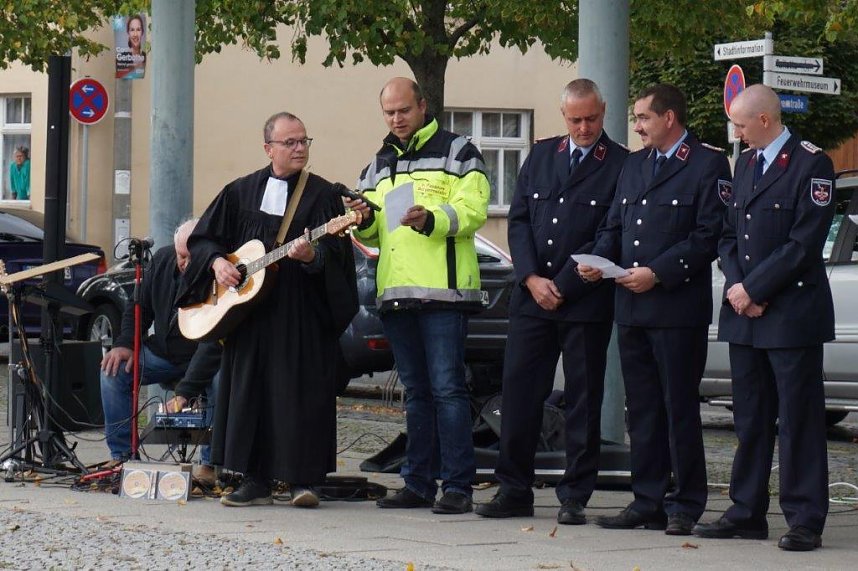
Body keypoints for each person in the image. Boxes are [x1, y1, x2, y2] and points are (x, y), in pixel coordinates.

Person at [177, 111, 358, 508]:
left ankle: (303, 481)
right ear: (268, 148)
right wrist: (217, 264)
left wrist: (313, 257)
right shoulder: (239, 192)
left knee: (300, 394)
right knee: (250, 393)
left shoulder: (323, 196)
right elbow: (204, 239)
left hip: (301, 313)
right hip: (250, 315)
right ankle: (253, 479)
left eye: (304, 141)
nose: (299, 148)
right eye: (290, 142)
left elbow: (337, 256)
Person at [578, 84, 731, 536]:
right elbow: (616, 225)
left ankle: (685, 503)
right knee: (642, 409)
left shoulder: (706, 163)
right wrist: (596, 260)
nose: (638, 126)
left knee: (678, 408)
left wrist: (659, 273)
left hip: (675, 308)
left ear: (669, 118)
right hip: (631, 305)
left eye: (644, 118)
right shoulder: (635, 164)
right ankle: (647, 500)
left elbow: (708, 235)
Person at [474, 79, 627, 524]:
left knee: (583, 400)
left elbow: (611, 231)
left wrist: (562, 284)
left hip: (584, 301)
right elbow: (519, 220)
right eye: (575, 119)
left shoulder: (620, 163)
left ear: (603, 112)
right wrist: (530, 277)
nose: (584, 128)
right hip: (532, 298)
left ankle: (575, 494)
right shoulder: (542, 155)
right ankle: (513, 488)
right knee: (519, 395)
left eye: (591, 119)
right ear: (564, 116)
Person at [692, 85, 835, 552]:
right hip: (746, 315)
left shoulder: (811, 165)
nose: (736, 133)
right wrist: (739, 289)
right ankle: (746, 511)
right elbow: (729, 234)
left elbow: (803, 244)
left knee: (798, 420)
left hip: (791, 314)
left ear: (765, 121)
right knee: (750, 418)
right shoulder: (747, 163)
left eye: (740, 125)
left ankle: (804, 519)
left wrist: (754, 289)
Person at [345, 77, 489, 515]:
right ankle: (419, 483)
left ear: (423, 106)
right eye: (389, 112)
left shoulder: (458, 151)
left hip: (444, 291)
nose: (396, 119)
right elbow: (373, 232)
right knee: (417, 393)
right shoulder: (378, 162)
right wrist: (362, 218)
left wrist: (432, 218)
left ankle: (458, 487)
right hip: (396, 293)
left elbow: (474, 209)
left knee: (447, 390)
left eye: (403, 110)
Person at [100, 219, 222, 483]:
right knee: (114, 370)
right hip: (164, 352)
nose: (185, 263)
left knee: (220, 379)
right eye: (181, 256)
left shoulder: (218, 272)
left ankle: (210, 463)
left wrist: (186, 390)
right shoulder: (162, 261)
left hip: (204, 357)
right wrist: (125, 344)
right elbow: (139, 307)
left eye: (192, 257)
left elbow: (214, 342)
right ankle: (122, 455)